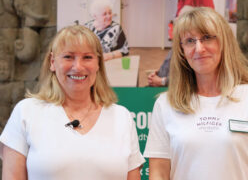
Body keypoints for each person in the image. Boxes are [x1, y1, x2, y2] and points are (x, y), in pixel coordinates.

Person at [144, 7, 248, 179]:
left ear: (224, 42)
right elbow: (158, 173)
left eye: (207, 38)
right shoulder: (166, 104)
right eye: (190, 41)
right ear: (181, 51)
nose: (199, 48)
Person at [0, 25, 145, 180]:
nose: (78, 67)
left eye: (87, 57)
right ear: (52, 62)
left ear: (98, 64)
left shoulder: (122, 117)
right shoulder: (26, 112)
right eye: (68, 57)